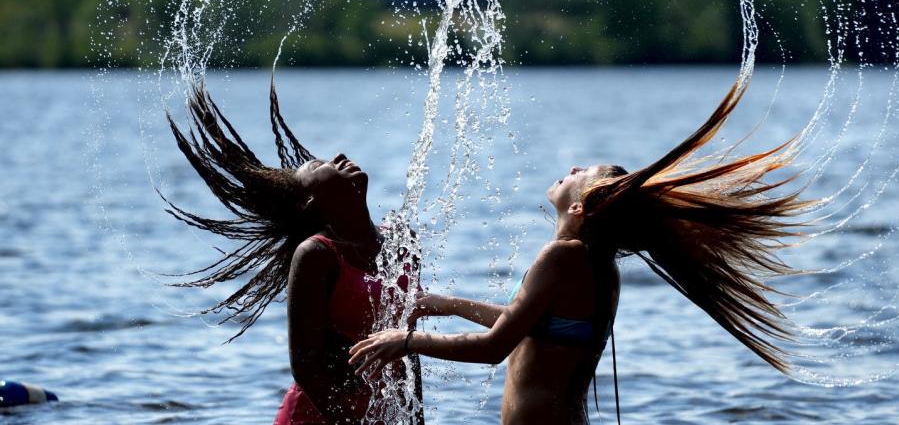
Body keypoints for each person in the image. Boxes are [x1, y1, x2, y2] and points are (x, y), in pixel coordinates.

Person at [350, 81, 814, 424]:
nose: (570, 168)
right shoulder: (597, 265)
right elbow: (527, 325)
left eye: (580, 171)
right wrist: (446, 306)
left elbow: (497, 348)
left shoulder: (563, 257)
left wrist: (405, 342)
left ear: (579, 205)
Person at [161, 79, 422, 424]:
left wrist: (416, 418)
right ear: (311, 201)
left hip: (382, 414)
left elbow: (410, 348)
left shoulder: (403, 240)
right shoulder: (316, 255)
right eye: (320, 166)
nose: (340, 158)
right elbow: (306, 367)